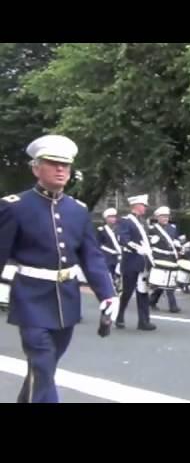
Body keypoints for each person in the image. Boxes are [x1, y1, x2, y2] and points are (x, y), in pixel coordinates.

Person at [0, 135, 119, 402]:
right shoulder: (14, 207)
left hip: (66, 299)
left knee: (44, 368)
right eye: (53, 163)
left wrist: (107, 293)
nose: (60, 169)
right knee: (42, 363)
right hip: (29, 298)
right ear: (36, 168)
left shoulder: (78, 210)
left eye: (65, 165)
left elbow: (92, 257)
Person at [116, 194, 156, 331]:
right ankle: (119, 316)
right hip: (131, 262)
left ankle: (144, 321)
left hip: (143, 262)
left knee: (143, 291)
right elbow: (123, 239)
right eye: (144, 205)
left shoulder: (143, 222)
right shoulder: (126, 221)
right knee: (127, 292)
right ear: (136, 206)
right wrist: (138, 248)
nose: (145, 208)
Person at [148, 206, 181, 313]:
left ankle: (152, 301)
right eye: (163, 216)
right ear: (157, 217)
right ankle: (173, 306)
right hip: (159, 257)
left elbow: (176, 240)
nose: (165, 218)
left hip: (171, 257)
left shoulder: (172, 228)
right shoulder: (152, 229)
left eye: (167, 216)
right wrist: (153, 241)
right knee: (163, 282)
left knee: (169, 282)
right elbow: (149, 244)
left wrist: (179, 245)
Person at [96, 207, 122, 283]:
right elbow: (98, 244)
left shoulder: (118, 230)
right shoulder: (101, 230)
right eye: (111, 217)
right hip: (108, 258)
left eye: (114, 217)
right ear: (106, 219)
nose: (113, 219)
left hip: (119, 258)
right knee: (109, 279)